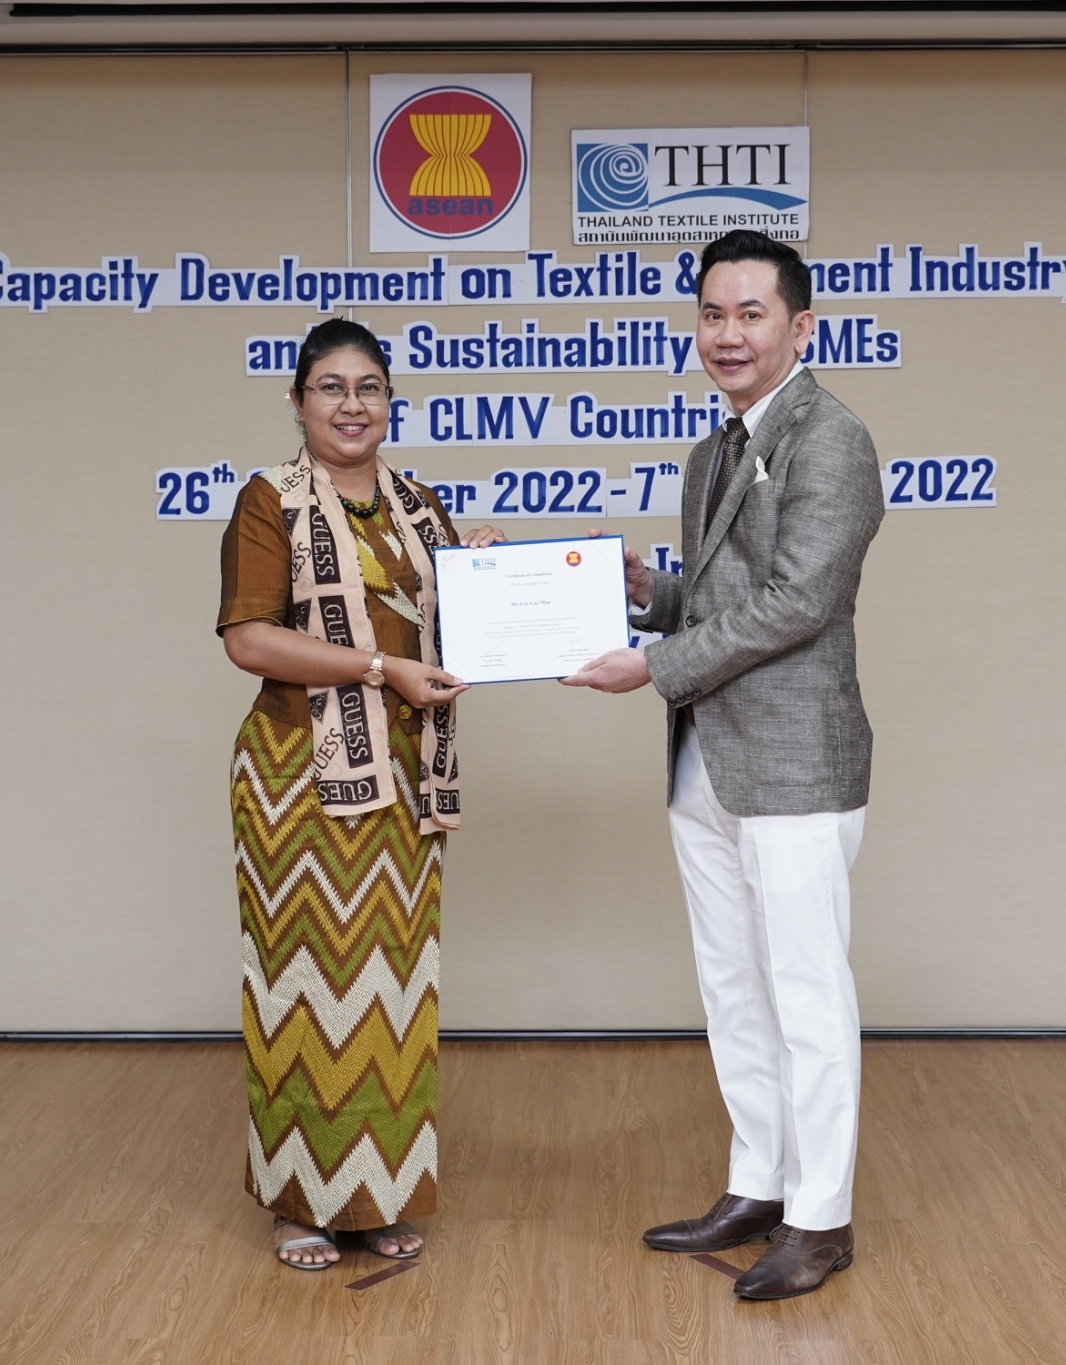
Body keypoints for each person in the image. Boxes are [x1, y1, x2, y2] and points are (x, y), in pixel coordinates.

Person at [565, 230, 886, 1300]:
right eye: (712, 314)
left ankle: (821, 1217)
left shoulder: (831, 439)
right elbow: (720, 599)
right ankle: (758, 1183)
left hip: (792, 764)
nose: (728, 334)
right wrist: (644, 590)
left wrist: (653, 664)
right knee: (733, 985)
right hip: (706, 759)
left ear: (801, 327)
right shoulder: (713, 450)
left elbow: (799, 602)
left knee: (805, 991)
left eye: (752, 314)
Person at [218, 318, 503, 1270]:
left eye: (369, 386)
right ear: (298, 402)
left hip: (404, 780)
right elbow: (249, 639)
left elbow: (452, 630)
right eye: (331, 387)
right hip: (298, 778)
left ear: (390, 401)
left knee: (393, 991)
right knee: (303, 987)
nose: (352, 404)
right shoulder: (269, 501)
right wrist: (378, 667)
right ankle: (300, 1203)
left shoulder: (419, 506)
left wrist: (486, 569)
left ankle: (377, 1197)